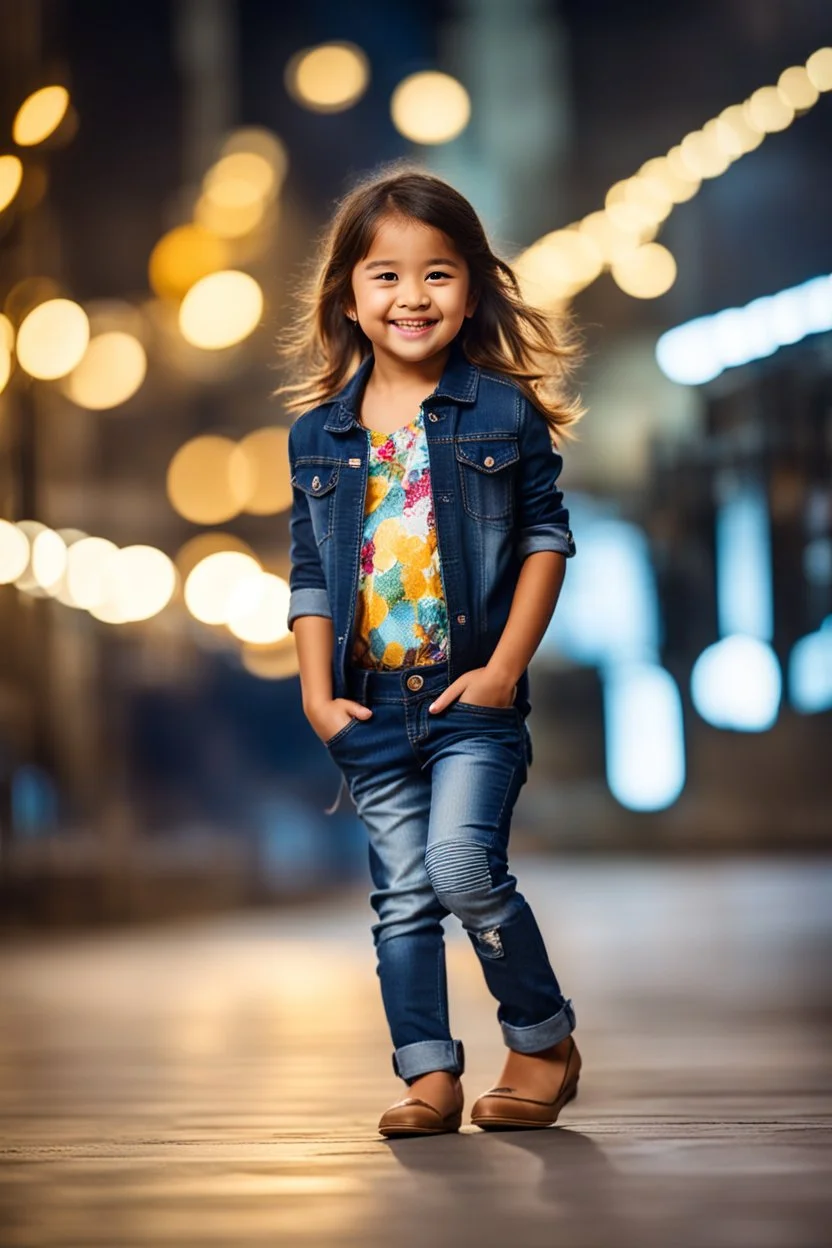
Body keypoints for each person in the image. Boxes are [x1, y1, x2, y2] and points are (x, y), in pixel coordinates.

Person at [280, 165, 584, 1138]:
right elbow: (311, 574)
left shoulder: (499, 413)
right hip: (368, 705)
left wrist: (499, 673)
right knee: (402, 893)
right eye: (386, 276)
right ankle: (427, 1075)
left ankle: (540, 1039)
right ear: (349, 300)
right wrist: (317, 696)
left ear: (473, 289)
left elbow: (544, 537)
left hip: (471, 704)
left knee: (460, 863)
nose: (412, 296)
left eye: (438, 273)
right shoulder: (316, 436)